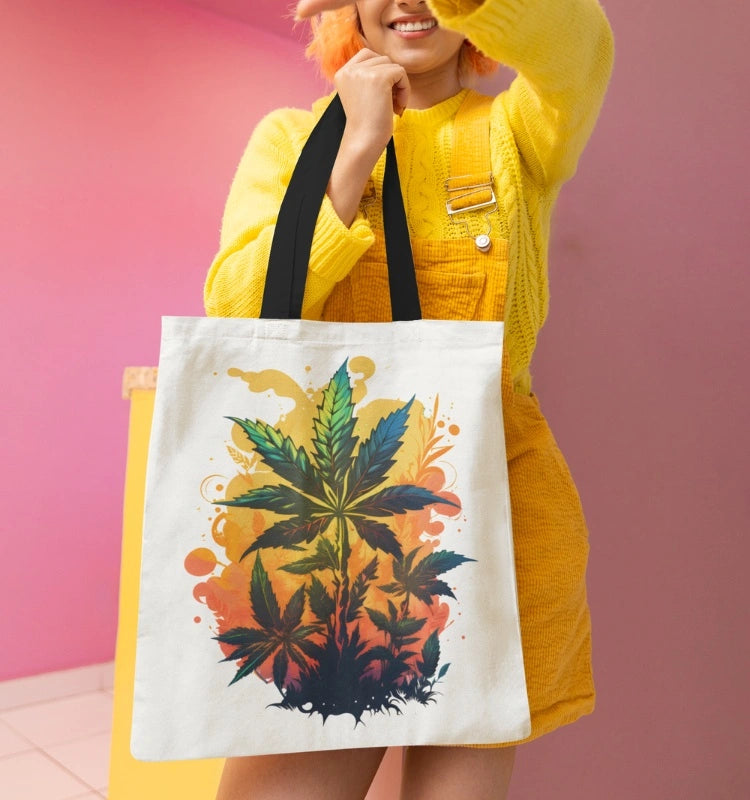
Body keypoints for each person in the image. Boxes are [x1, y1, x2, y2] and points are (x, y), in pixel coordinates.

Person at [204, 0, 614, 797]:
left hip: (488, 514)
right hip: (323, 522)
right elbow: (239, 311)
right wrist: (357, 147)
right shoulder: (291, 138)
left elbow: (581, 39)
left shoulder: (519, 130)